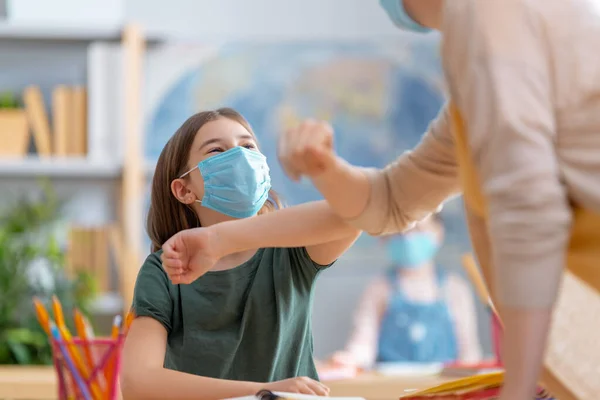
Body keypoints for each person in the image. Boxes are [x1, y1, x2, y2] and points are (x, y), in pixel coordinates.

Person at [276, 1, 600, 399]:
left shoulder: (485, 13)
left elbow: (530, 213)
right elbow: (392, 202)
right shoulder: (478, 82)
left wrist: (519, 386)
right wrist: (325, 169)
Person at [120, 108, 361, 400]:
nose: (241, 157)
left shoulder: (289, 251)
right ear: (184, 190)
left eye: (248, 146)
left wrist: (326, 167)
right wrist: (264, 393)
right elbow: (138, 382)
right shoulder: (164, 270)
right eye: (216, 150)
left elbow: (356, 214)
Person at [323, 215, 482, 370]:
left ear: (438, 232)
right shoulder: (378, 289)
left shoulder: (455, 289)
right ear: (384, 238)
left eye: (418, 229)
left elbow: (469, 352)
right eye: (399, 232)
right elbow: (363, 344)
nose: (408, 238)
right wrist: (349, 359)